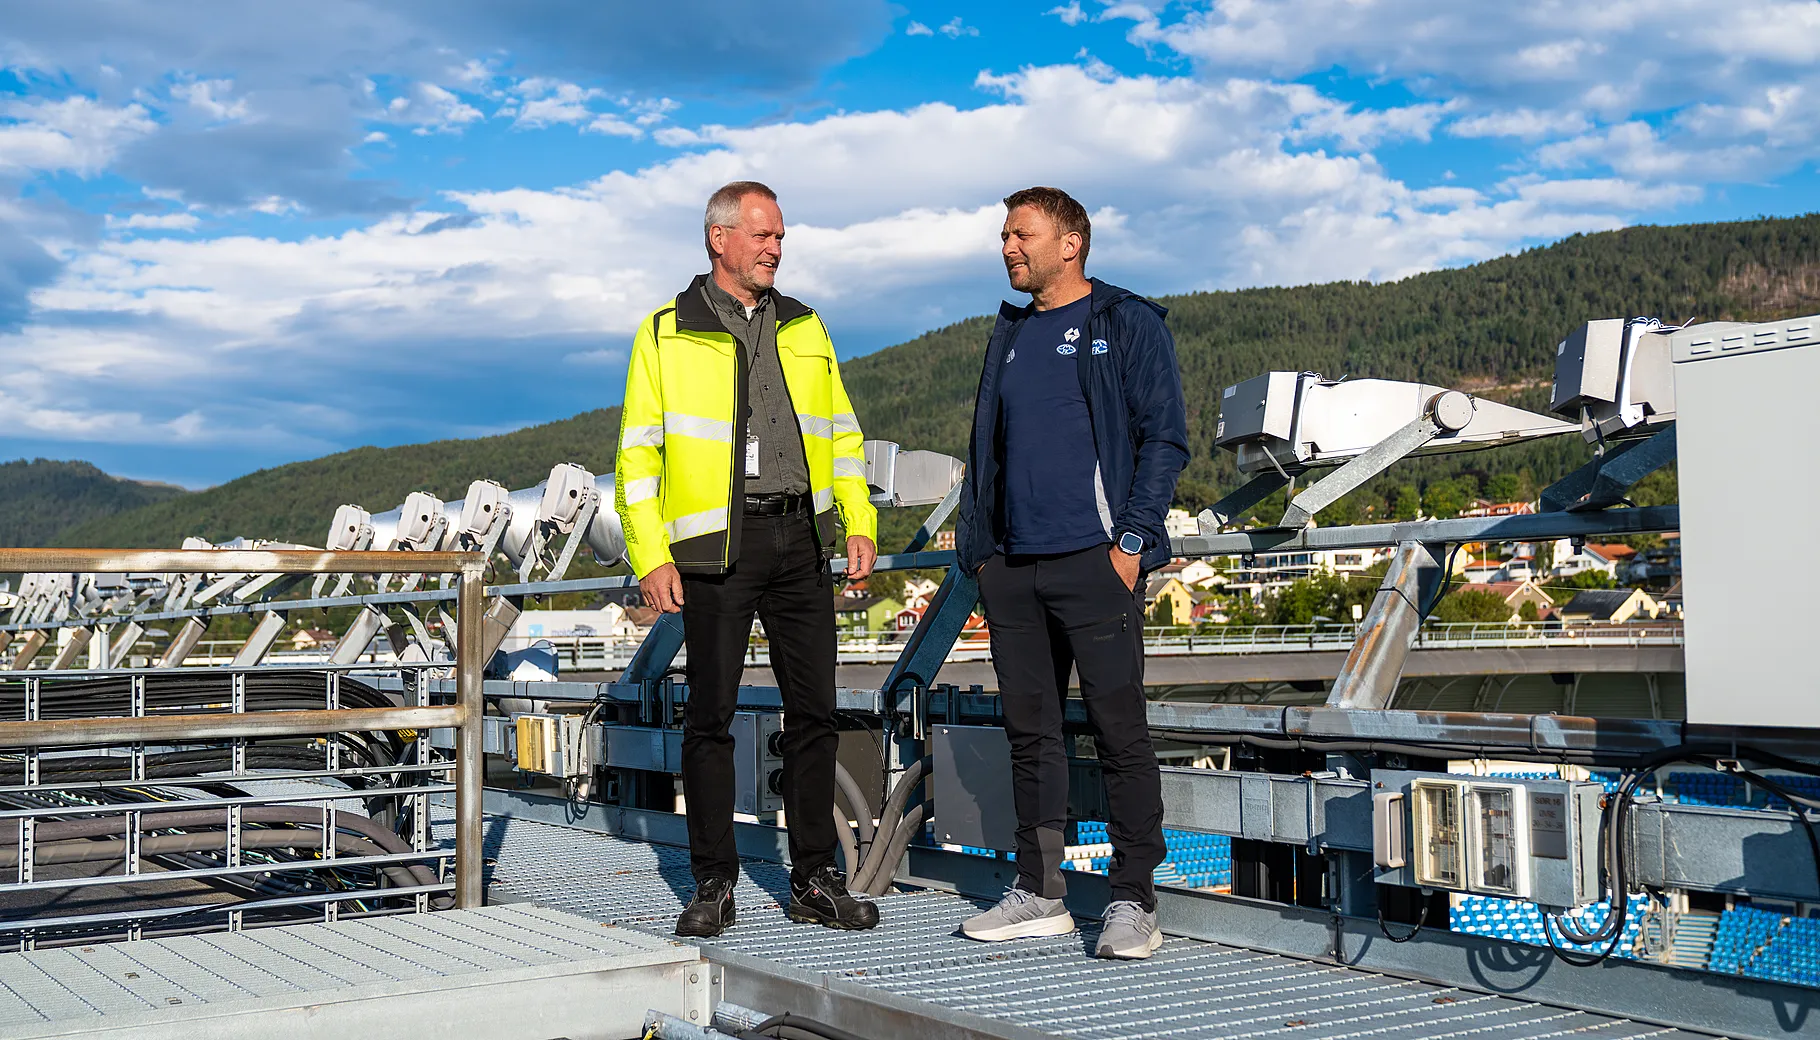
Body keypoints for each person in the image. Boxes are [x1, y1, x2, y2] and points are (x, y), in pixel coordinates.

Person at [615, 180, 881, 938]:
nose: (775, 248)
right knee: (711, 719)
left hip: (800, 537)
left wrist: (856, 519)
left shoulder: (805, 326)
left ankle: (815, 879)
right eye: (762, 236)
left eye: (780, 237)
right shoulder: (665, 332)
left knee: (815, 714)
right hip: (713, 549)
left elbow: (843, 433)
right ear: (719, 240)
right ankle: (713, 883)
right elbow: (638, 456)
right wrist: (650, 553)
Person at [955, 186, 1188, 959]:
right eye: (1004, 235)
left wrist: (1131, 542)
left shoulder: (1124, 322)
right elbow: (988, 446)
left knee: (1121, 734)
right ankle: (1039, 892)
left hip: (1096, 561)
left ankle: (1133, 902)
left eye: (1021, 234)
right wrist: (982, 552)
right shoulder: (1011, 332)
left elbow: (1165, 439)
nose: (1007, 247)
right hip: (1013, 566)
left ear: (1071, 243)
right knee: (1031, 734)